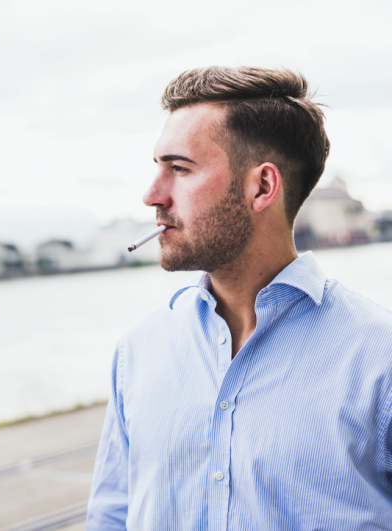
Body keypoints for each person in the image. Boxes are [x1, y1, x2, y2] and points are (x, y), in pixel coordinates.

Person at [86, 66, 392, 530]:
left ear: (262, 186)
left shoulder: (379, 355)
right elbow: (111, 515)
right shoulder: (139, 349)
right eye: (157, 168)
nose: (153, 195)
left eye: (180, 169)